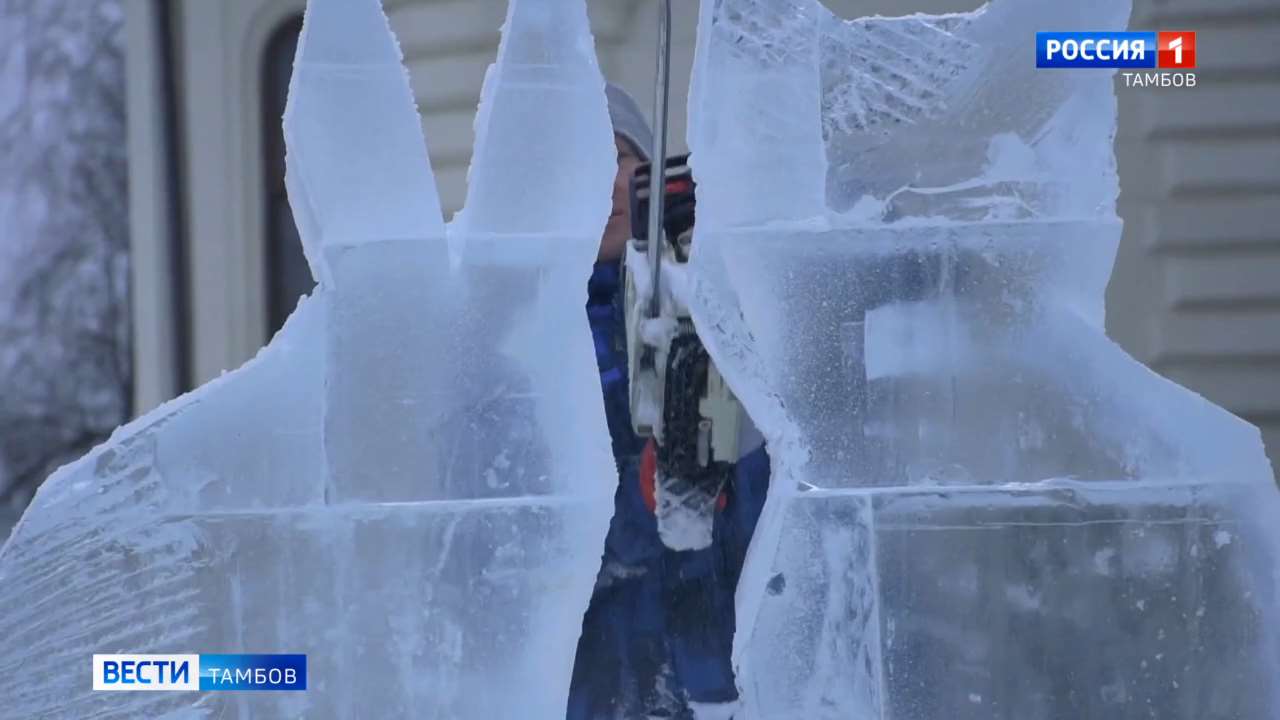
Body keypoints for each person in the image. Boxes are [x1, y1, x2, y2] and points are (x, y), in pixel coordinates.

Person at [567, 83, 771, 719]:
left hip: (733, 680)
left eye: (619, 157)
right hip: (606, 687)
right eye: (576, 161)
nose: (603, 182)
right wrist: (649, 493)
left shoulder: (725, 307)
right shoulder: (519, 344)